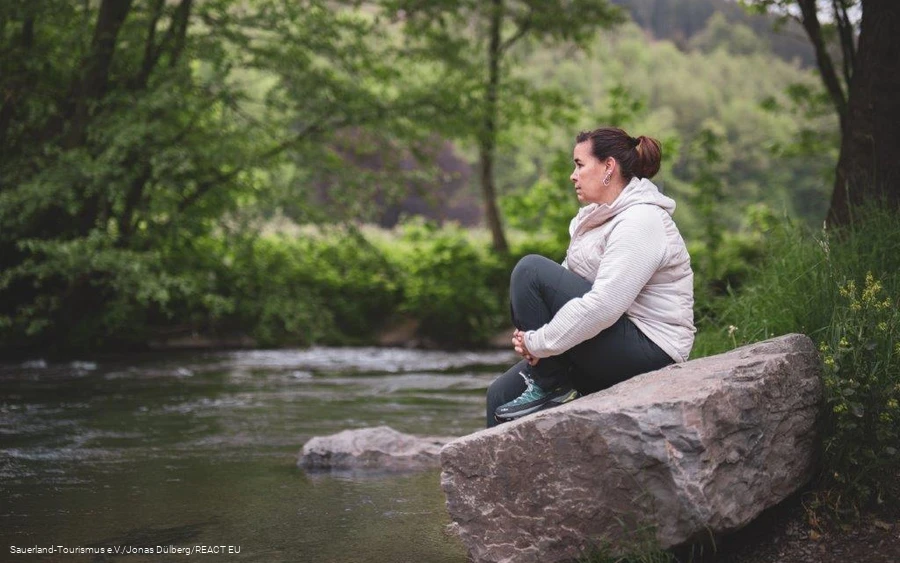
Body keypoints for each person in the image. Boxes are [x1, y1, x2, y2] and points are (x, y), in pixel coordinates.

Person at [488, 127, 695, 427]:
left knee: (530, 270)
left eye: (580, 164)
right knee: (499, 395)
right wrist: (530, 340)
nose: (573, 175)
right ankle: (502, 469)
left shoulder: (641, 220)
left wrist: (539, 342)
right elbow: (561, 285)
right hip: (610, 340)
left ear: (608, 166)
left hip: (652, 348)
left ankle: (550, 383)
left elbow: (604, 305)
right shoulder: (597, 218)